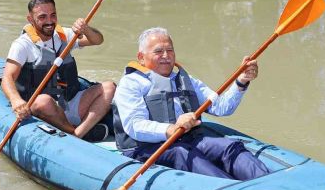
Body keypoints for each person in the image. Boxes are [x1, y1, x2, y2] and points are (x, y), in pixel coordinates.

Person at [112, 27, 269, 180]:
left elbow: (221, 107)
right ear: (141, 57)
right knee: (183, 153)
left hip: (186, 139)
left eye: (170, 50)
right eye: (159, 51)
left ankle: (267, 183)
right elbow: (135, 125)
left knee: (230, 147)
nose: (166, 56)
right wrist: (171, 129)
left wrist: (241, 81)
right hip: (146, 148)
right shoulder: (131, 83)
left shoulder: (187, 80)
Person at [2, 0, 115, 142]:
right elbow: (7, 78)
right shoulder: (22, 45)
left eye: (53, 15)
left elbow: (97, 40)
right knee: (44, 101)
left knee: (109, 87)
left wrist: (86, 29)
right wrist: (16, 100)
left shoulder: (64, 35)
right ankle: (78, 131)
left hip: (68, 101)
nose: (49, 21)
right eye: (42, 17)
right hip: (42, 107)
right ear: (30, 19)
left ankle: (78, 134)